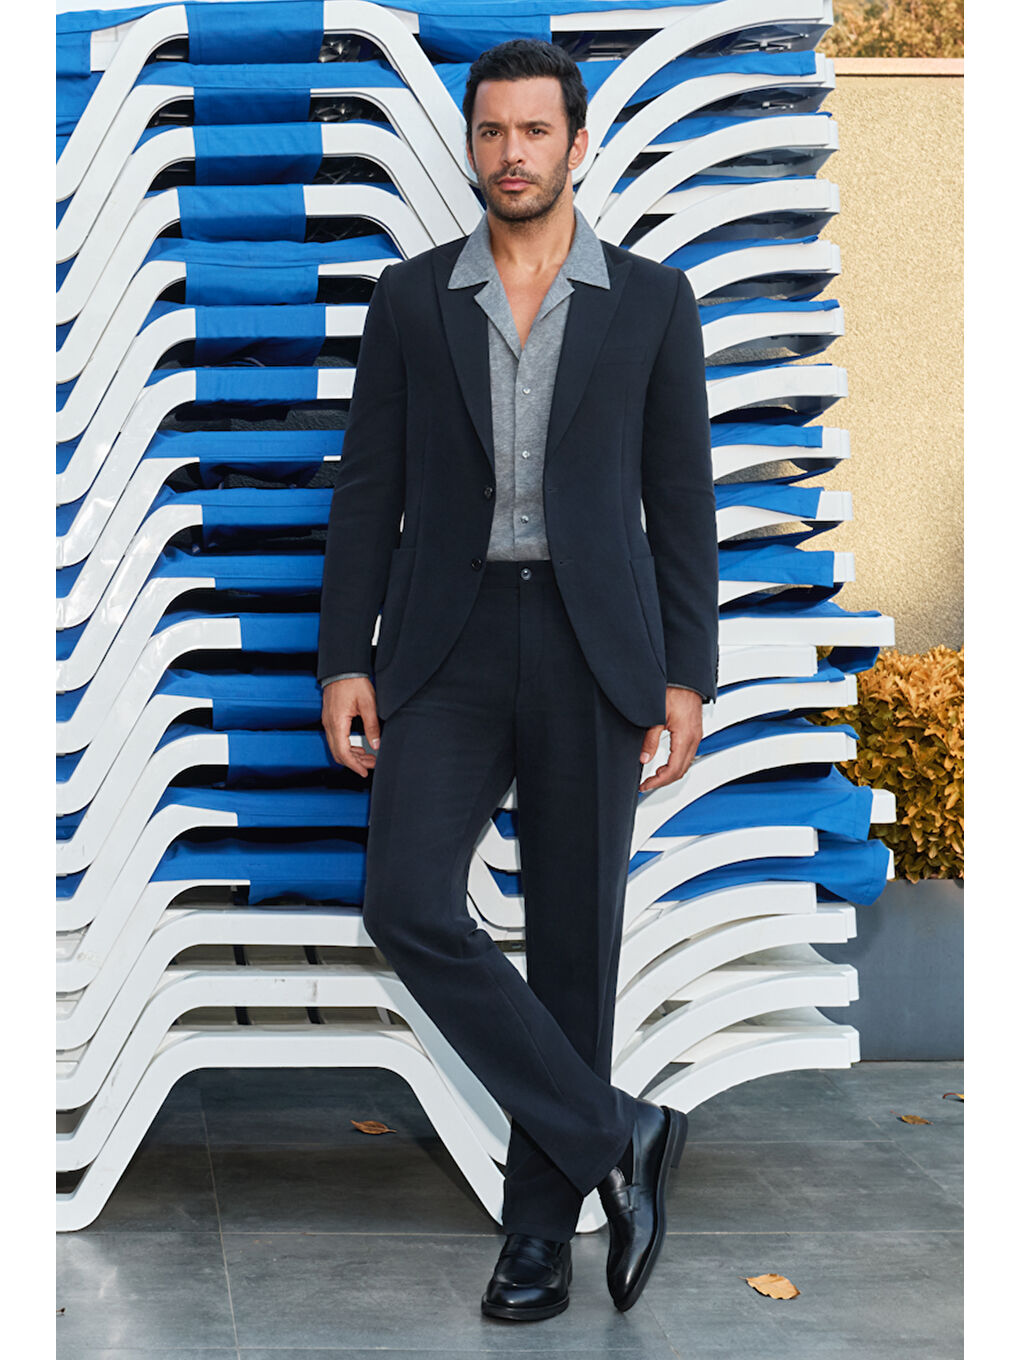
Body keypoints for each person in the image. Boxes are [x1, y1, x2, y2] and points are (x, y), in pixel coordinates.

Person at [317, 38, 719, 1322]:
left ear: (576, 144)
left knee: (575, 945)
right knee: (405, 901)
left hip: (599, 649)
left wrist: (689, 674)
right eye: (492, 131)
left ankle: (538, 1238)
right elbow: (367, 490)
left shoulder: (652, 301)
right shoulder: (411, 299)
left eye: (535, 131)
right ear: (472, 146)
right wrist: (345, 655)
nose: (512, 153)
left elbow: (682, 500)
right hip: (448, 641)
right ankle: (618, 1132)